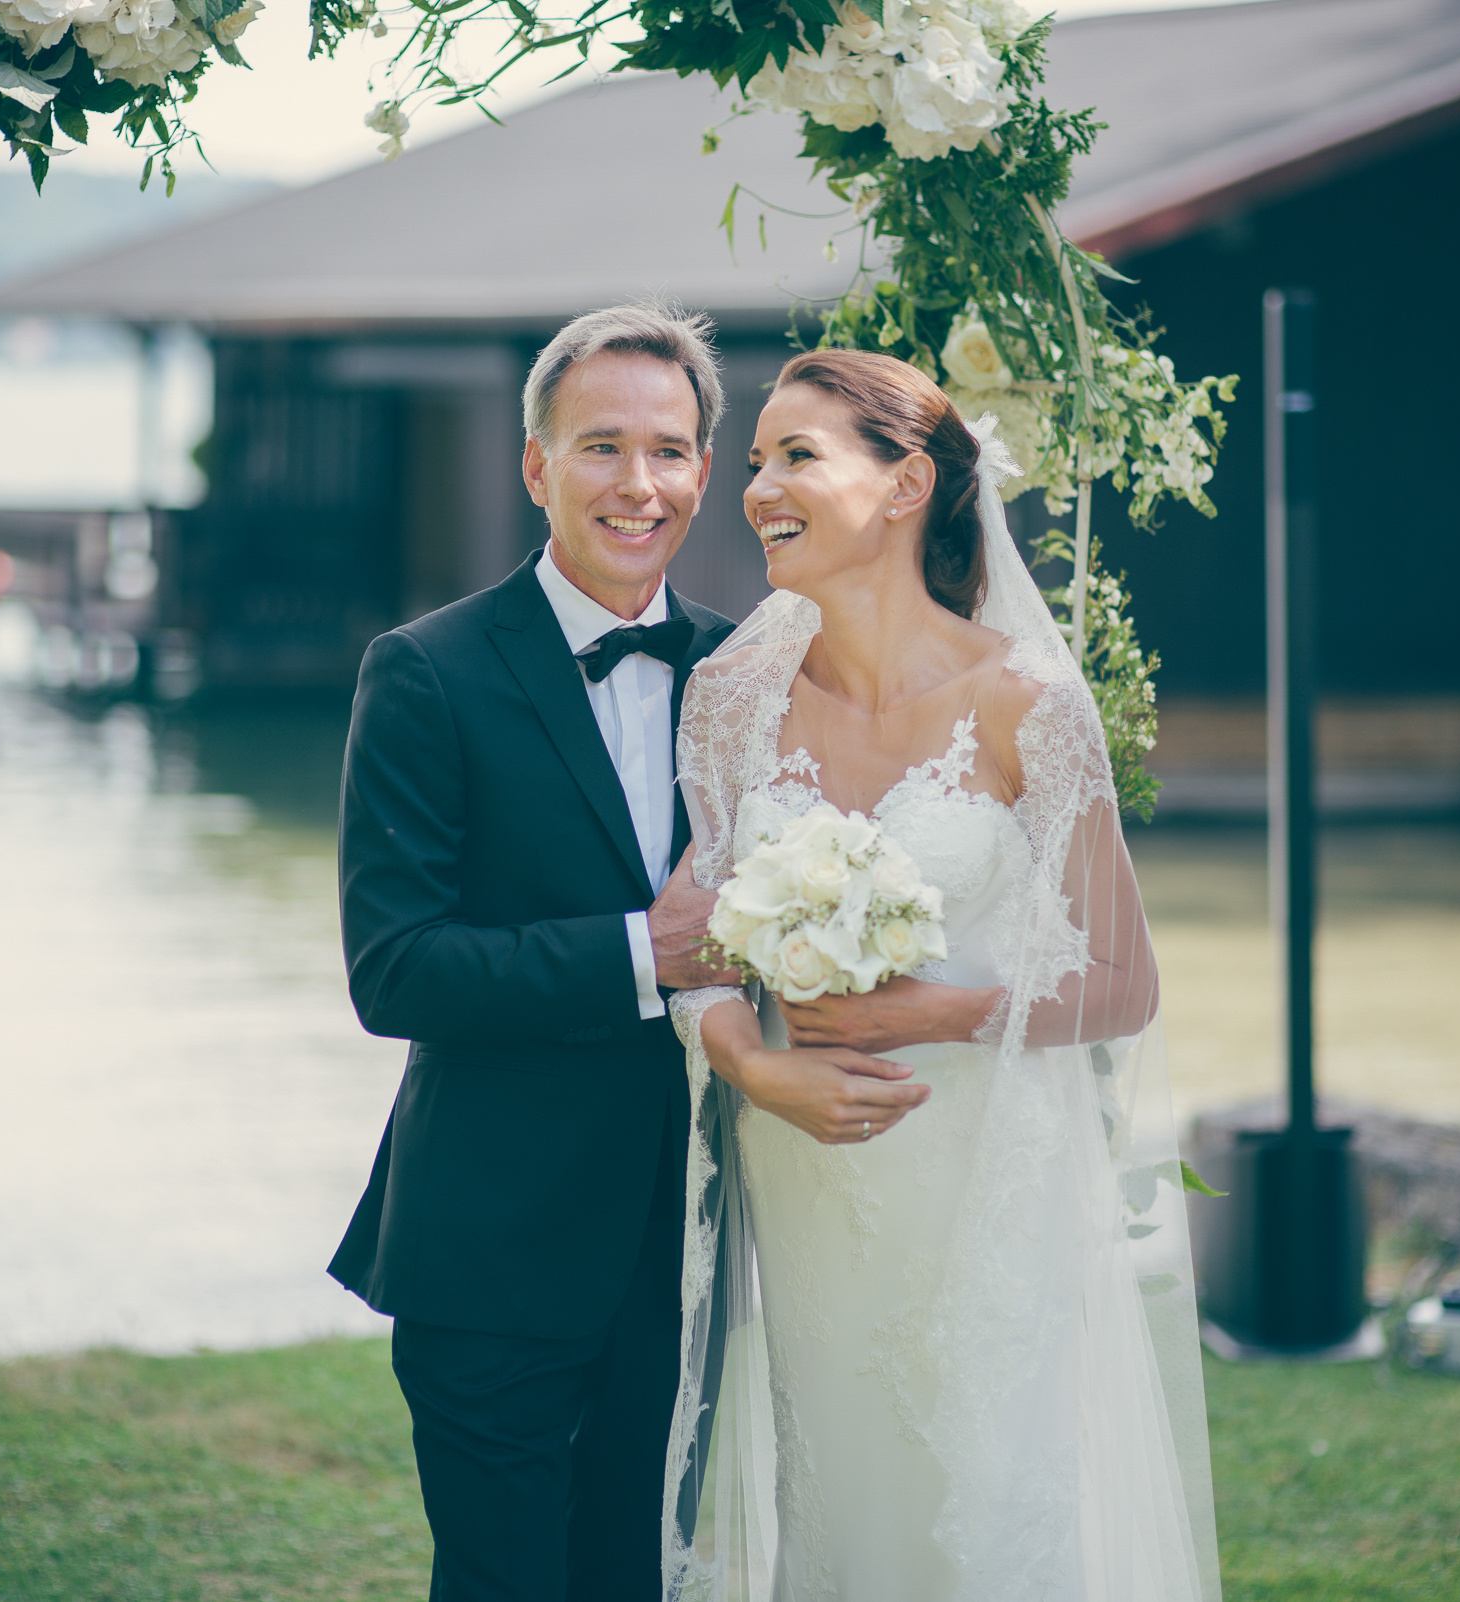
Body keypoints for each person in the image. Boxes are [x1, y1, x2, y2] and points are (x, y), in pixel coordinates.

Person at [329, 304, 931, 1600]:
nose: (638, 484)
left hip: (692, 1235)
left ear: (709, 472)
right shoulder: (425, 672)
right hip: (493, 1236)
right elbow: (398, 969)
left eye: (669, 450)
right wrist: (638, 949)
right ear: (536, 465)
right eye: (602, 447)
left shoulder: (755, 669)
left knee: (635, 1576)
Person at [659, 349, 1220, 1599]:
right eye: (756, 463)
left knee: (984, 1503)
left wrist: (942, 1010)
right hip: (809, 1167)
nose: (757, 488)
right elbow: (684, 942)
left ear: (906, 481)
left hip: (979, 1184)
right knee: (844, 1509)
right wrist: (746, 1058)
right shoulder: (731, 698)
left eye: (796, 456)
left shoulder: (1027, 702)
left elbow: (1126, 983)